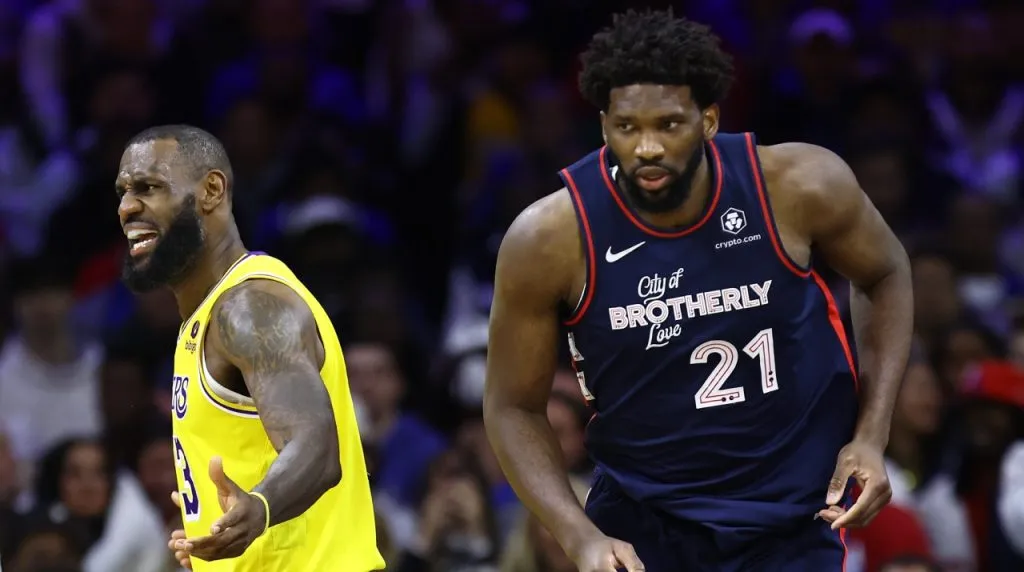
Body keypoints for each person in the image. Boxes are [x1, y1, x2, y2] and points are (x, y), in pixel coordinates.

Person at [482, 9, 913, 572]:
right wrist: (578, 535)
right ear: (604, 124)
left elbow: (885, 273)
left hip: (790, 516)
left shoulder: (800, 185)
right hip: (644, 522)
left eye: (668, 124)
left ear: (708, 120)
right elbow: (512, 406)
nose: (647, 148)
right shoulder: (549, 238)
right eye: (626, 128)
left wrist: (871, 436)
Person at [115, 125, 385, 571]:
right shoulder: (204, 317)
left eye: (148, 188)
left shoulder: (249, 307)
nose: (127, 208)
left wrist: (257, 510)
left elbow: (316, 446)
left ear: (211, 191)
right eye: (123, 192)